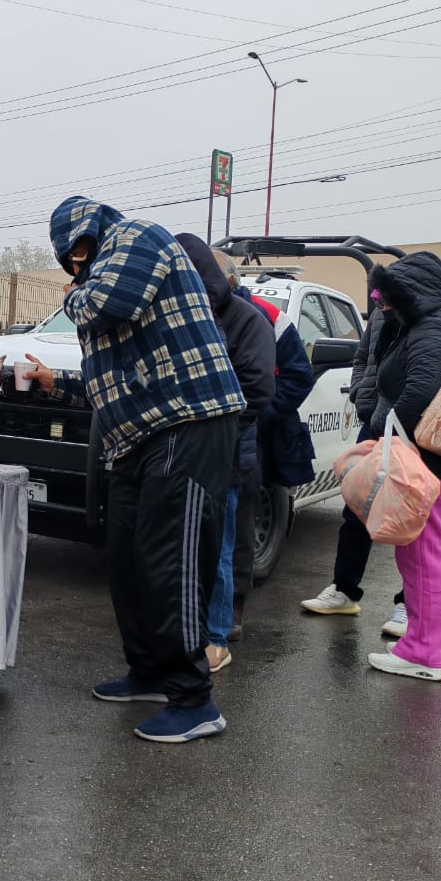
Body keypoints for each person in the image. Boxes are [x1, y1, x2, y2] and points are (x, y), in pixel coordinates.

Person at [41, 196, 245, 743]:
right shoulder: (101, 275)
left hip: (187, 420)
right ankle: (150, 672)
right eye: (69, 258)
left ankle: (194, 698)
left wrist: (74, 294)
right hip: (137, 436)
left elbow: (107, 303)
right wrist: (53, 383)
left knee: (168, 559)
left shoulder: (137, 238)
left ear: (96, 231)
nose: (76, 264)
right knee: (127, 558)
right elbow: (111, 381)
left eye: (81, 250)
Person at [302, 272, 441, 636]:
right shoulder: (385, 315)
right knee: (358, 509)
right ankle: (345, 589)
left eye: (384, 294)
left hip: (423, 437)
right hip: (379, 424)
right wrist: (361, 396)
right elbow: (364, 358)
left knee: (416, 524)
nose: (379, 301)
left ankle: (408, 607)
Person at [362, 251, 441, 680]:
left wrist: (385, 432)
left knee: (422, 555)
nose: (380, 300)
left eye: (388, 293)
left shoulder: (430, 328)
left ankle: (424, 653)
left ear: (411, 293)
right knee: (431, 553)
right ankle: (436, 645)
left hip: (430, 459)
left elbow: (419, 392)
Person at [175, 235, 275, 673]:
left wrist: (209, 430)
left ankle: (217, 637)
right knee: (182, 549)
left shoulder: (248, 321)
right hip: (181, 456)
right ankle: (186, 630)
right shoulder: (180, 319)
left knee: (219, 549)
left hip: (226, 457)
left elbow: (258, 390)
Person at [228, 258, 315, 640]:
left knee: (241, 524)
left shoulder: (268, 317)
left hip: (254, 433)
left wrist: (261, 415)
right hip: (211, 432)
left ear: (228, 281)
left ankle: (234, 609)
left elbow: (299, 377)